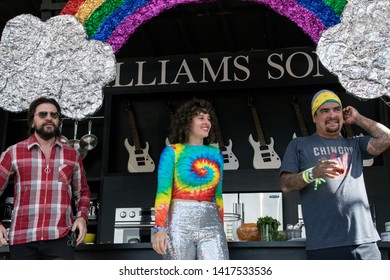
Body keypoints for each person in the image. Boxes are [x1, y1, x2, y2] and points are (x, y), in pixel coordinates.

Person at [280, 89, 390, 260]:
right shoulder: (299, 145)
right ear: (314, 117)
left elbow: (387, 137)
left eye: (336, 109)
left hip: (365, 242)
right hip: (324, 244)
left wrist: (358, 118)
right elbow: (285, 184)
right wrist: (313, 173)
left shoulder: (354, 144)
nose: (332, 115)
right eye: (324, 111)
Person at [0, 96, 90, 259]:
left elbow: (83, 192)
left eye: (54, 115)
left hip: (61, 239)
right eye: (42, 114)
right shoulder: (14, 152)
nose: (49, 118)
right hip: (22, 239)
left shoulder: (72, 155)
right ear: (32, 122)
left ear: (59, 122)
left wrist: (82, 217)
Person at [152, 98, 229, 260]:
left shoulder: (216, 155)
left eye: (208, 118)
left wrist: (221, 227)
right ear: (187, 122)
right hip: (179, 223)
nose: (206, 122)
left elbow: (218, 196)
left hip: (211, 223)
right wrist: (159, 228)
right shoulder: (172, 152)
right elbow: (163, 192)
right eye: (200, 118)